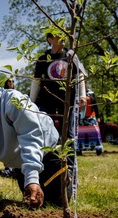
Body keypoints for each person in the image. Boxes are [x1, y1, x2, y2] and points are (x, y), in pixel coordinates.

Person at [29, 33, 87, 194]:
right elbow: (36, 81)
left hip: (67, 103)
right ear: (49, 39)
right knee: (45, 138)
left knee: (68, 139)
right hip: (46, 104)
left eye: (63, 35)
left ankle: (71, 181)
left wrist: (82, 95)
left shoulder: (71, 56)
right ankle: (45, 176)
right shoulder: (43, 58)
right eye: (57, 36)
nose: (62, 38)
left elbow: (79, 76)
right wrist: (30, 103)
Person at [0, 78, 17, 179]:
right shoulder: (3, 94)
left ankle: (15, 168)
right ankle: (8, 167)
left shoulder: (16, 93)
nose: (11, 83)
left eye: (13, 81)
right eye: (9, 81)